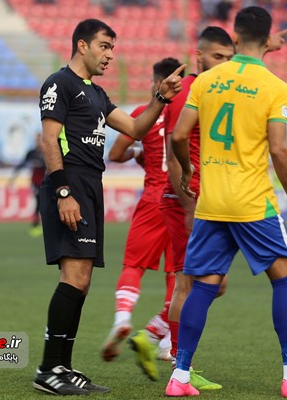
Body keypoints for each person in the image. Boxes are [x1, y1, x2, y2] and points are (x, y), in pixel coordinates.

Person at [164, 6, 287, 397]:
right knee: (285, 277)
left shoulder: (207, 80)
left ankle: (180, 376)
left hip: (212, 202)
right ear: (267, 38)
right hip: (252, 203)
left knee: (203, 286)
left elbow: (178, 135)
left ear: (234, 37)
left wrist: (188, 170)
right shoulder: (274, 86)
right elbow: (278, 149)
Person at [33, 18, 184, 396]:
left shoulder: (97, 94)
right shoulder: (59, 83)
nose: (110, 55)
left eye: (112, 48)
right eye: (104, 46)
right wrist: (63, 192)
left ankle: (62, 367)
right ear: (82, 45)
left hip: (90, 186)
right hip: (70, 184)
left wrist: (161, 98)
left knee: (81, 281)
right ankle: (49, 369)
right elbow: (49, 139)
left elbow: (135, 129)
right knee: (73, 278)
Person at [127, 26, 235, 391]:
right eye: (217, 56)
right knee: (190, 285)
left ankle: (156, 338)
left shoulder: (212, 89)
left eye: (229, 58)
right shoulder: (188, 90)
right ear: (199, 56)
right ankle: (178, 366)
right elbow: (174, 152)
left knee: (210, 284)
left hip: (206, 200)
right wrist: (187, 203)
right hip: (185, 201)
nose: (224, 63)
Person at [100, 57, 184, 365]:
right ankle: (168, 341)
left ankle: (122, 319)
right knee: (177, 274)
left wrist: (140, 151)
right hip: (179, 199)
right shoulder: (188, 113)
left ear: (158, 83)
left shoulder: (143, 114)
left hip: (152, 199)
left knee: (134, 265)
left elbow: (116, 153)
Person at [8, 133, 47, 237]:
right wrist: (13, 179)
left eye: (40, 139)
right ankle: (35, 225)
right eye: (37, 139)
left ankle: (41, 225)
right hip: (35, 182)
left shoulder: (47, 152)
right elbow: (22, 164)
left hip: (46, 181)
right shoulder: (32, 153)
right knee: (39, 202)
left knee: (45, 203)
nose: (39, 142)